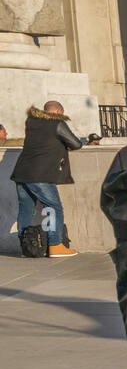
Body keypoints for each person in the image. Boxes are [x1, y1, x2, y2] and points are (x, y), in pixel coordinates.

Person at [10, 101, 100, 258]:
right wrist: (84, 141)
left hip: (21, 172)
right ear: (58, 111)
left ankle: (26, 247)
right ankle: (55, 245)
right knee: (54, 207)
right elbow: (75, 144)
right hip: (40, 175)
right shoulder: (57, 123)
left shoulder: (32, 122)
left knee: (26, 209)